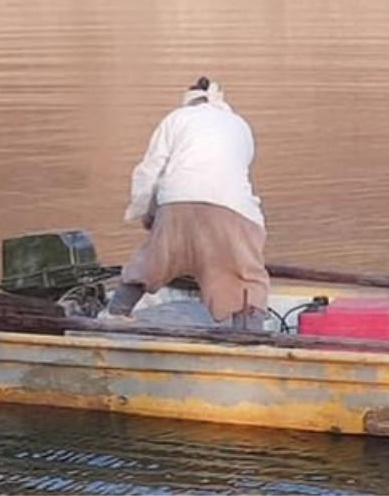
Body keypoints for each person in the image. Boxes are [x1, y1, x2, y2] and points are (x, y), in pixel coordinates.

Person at [107, 77, 270, 329]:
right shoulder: (239, 125)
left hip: (176, 200)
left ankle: (116, 314)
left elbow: (151, 171)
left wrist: (146, 214)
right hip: (232, 207)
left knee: (150, 260)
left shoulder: (176, 119)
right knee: (245, 275)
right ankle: (250, 334)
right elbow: (236, 173)